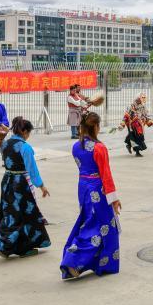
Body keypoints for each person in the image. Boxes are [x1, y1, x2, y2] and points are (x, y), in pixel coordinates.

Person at [61, 112, 122, 279]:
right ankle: (76, 261)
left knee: (88, 222)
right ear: (95, 127)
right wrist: (114, 199)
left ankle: (76, 259)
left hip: (83, 187)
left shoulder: (76, 147)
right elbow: (106, 175)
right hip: (98, 188)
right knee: (105, 228)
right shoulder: (99, 148)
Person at [0, 117, 50, 258]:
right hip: (20, 183)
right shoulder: (25, 147)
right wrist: (41, 186)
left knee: (10, 214)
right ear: (24, 131)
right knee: (25, 215)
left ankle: (3, 243)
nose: (28, 136)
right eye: (28, 133)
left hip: (7, 180)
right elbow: (32, 170)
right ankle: (20, 247)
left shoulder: (5, 143)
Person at [119, 93, 153, 157]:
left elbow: (146, 115)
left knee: (139, 137)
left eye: (143, 98)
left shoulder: (143, 106)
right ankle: (137, 152)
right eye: (141, 98)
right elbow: (126, 115)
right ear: (137, 98)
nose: (142, 99)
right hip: (132, 124)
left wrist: (149, 121)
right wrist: (122, 123)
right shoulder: (132, 106)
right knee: (135, 137)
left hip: (140, 124)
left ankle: (128, 145)